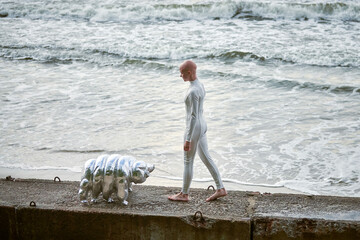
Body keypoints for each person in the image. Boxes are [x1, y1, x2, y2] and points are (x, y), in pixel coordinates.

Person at [168, 60, 227, 202]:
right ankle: (220, 188)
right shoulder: (200, 85)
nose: (180, 75)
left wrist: (188, 139)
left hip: (194, 128)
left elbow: (193, 117)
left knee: (188, 160)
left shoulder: (193, 90)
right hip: (202, 125)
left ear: (189, 72)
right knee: (206, 157)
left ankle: (184, 194)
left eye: (182, 73)